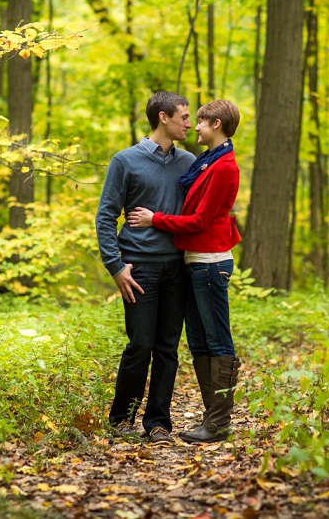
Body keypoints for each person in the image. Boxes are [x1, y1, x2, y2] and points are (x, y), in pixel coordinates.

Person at [127, 99, 242, 443]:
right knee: (198, 342)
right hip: (194, 261)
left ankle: (219, 421)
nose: (195, 127)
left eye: (201, 122)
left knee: (216, 340)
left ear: (217, 124)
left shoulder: (223, 167)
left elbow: (199, 220)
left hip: (210, 262)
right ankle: (212, 418)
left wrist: (154, 219)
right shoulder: (207, 162)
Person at [95, 91, 195, 445]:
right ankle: (121, 419)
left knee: (168, 348)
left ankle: (158, 424)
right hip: (138, 270)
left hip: (177, 268)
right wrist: (115, 266)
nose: (189, 123)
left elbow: (193, 216)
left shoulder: (189, 162)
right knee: (140, 344)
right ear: (164, 118)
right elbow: (106, 215)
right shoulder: (125, 161)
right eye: (184, 116)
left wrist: (159, 221)